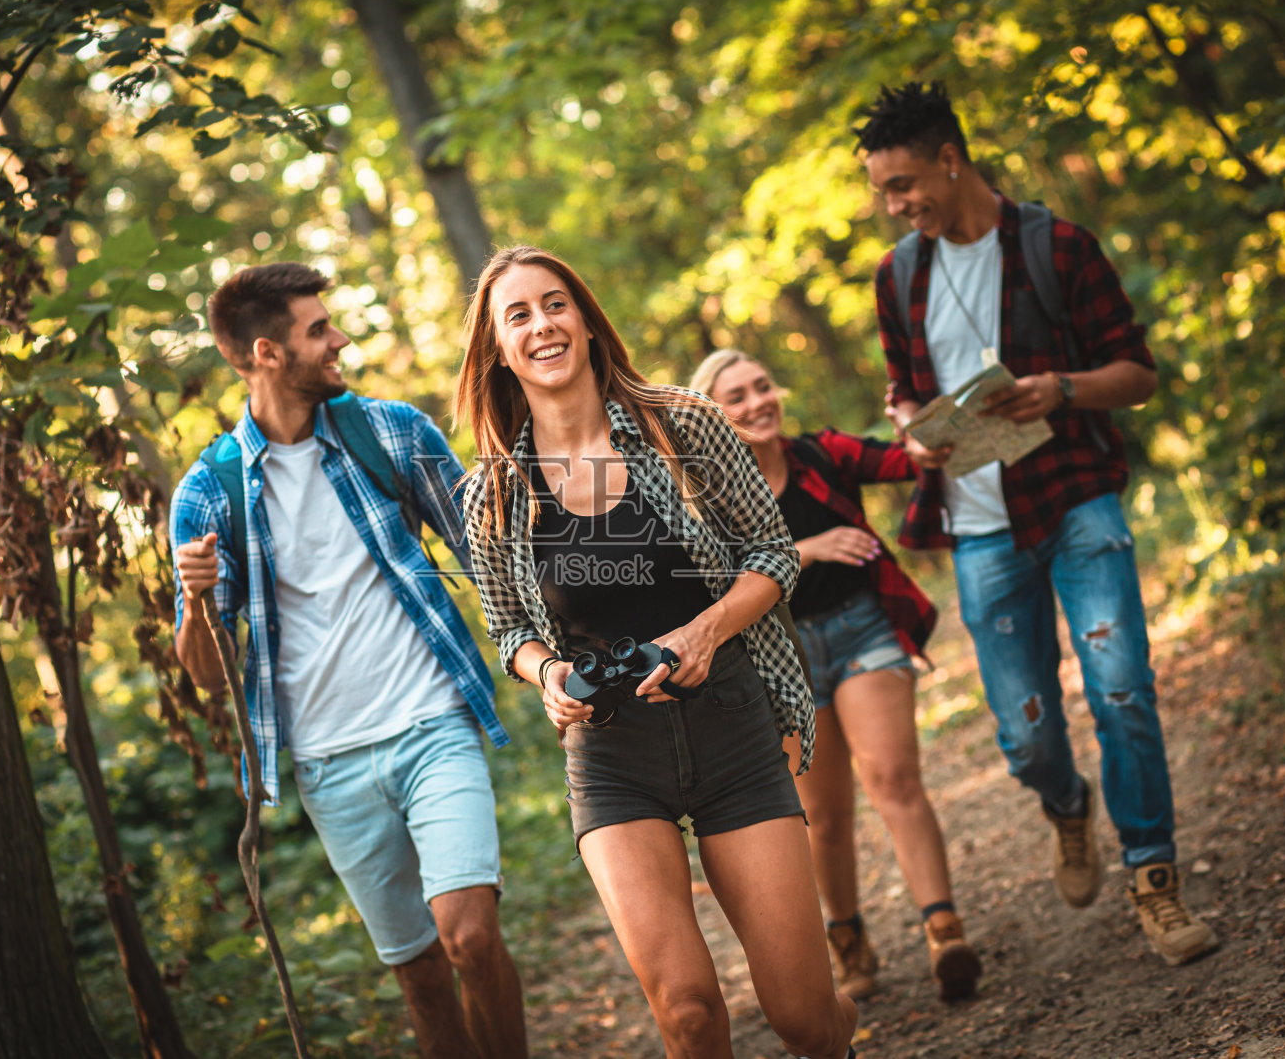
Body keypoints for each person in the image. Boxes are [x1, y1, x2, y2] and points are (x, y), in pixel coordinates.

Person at [456, 246, 856, 1059]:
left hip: (733, 728)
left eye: (556, 303)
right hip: (611, 757)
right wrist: (549, 675)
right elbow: (508, 630)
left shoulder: (685, 424)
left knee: (805, 1019)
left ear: (587, 318)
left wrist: (706, 630)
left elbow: (772, 554)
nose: (543, 326)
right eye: (519, 315)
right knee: (687, 1010)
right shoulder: (491, 491)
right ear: (498, 349)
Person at [858, 81, 1220, 966]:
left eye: (904, 186)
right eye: (883, 194)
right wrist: (913, 430)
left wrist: (1062, 389)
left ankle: (1154, 876)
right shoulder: (900, 274)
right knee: (1023, 734)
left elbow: (1137, 373)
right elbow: (904, 389)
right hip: (979, 529)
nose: (896, 207)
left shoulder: (1057, 246)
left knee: (1123, 689)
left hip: (1075, 498)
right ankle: (1066, 806)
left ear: (952, 160)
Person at [169, 262, 528, 1058]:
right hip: (329, 765)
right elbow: (203, 670)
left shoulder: (391, 430)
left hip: (433, 722)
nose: (340, 340)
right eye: (319, 331)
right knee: (422, 975)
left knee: (468, 937)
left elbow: (490, 553)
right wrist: (196, 601)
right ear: (267, 353)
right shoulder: (210, 492)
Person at [692, 349, 981, 1002]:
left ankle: (945, 930)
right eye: (736, 396)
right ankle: (847, 936)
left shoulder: (821, 454)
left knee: (891, 777)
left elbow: (907, 459)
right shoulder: (704, 497)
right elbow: (708, 582)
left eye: (762, 386)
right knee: (823, 815)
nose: (757, 402)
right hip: (781, 660)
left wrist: (920, 432)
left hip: (862, 630)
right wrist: (806, 549)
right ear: (713, 414)